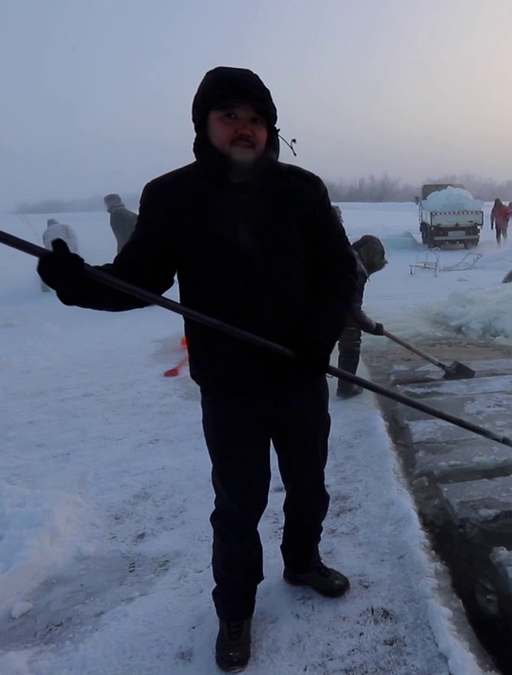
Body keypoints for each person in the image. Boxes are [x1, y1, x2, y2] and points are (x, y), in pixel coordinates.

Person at [35, 66, 359, 673]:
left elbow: (341, 271)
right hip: (231, 383)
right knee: (239, 503)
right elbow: (139, 281)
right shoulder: (173, 196)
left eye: (256, 119)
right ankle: (235, 609)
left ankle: (302, 560)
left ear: (271, 130)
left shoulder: (303, 190)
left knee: (309, 483)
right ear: (203, 125)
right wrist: (79, 284)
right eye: (230, 116)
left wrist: (319, 336)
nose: (245, 128)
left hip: (298, 373)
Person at [335, 233, 387, 399]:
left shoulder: (347, 256)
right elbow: (353, 310)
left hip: (321, 303)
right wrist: (373, 327)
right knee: (351, 334)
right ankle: (345, 387)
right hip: (326, 306)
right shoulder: (356, 269)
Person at [40, 219, 79, 292]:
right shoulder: (64, 226)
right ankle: (73, 284)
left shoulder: (46, 231)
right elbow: (72, 236)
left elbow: (44, 241)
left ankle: (45, 287)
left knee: (49, 266)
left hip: (50, 248)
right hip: (66, 245)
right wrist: (75, 249)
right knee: (71, 264)